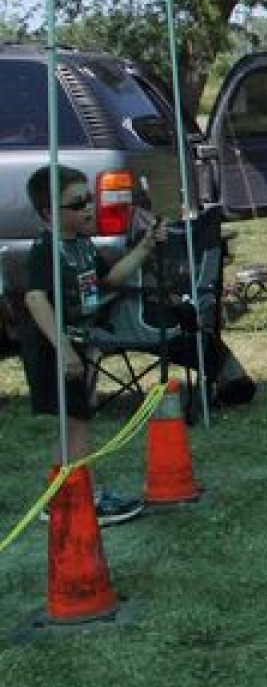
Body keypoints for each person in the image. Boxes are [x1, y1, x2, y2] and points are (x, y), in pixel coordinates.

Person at [19, 164, 158, 525]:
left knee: (75, 421)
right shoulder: (45, 249)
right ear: (49, 212)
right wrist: (64, 348)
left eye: (89, 199)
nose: (88, 208)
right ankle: (84, 499)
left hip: (79, 344)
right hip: (53, 348)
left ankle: (61, 496)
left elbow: (109, 279)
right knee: (77, 422)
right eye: (77, 203)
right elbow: (35, 298)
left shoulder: (81, 244)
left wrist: (144, 247)